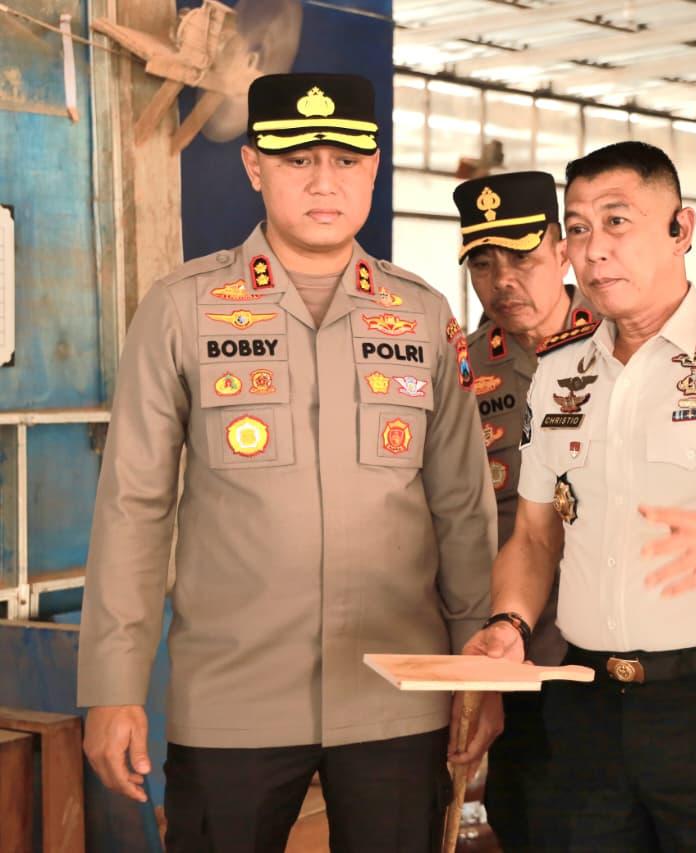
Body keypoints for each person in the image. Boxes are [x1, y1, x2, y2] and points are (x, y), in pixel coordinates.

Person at [77, 73, 497, 852]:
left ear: (374, 170)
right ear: (254, 167)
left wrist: (479, 671)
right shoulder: (181, 309)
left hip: (396, 694)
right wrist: (113, 684)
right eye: (298, 160)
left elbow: (462, 505)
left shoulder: (422, 314)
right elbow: (135, 506)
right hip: (233, 698)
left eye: (346, 161)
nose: (324, 182)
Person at [448, 141, 696, 850]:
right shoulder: (560, 370)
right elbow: (534, 535)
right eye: (579, 227)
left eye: (617, 221)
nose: (595, 248)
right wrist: (509, 622)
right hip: (584, 704)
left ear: (682, 228)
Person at [451, 170, 594, 850]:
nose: (503, 281)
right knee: (532, 822)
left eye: (523, 258)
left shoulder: (628, 343)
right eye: (483, 263)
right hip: (525, 656)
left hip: (627, 650)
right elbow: (455, 522)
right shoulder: (461, 372)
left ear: (563, 251)